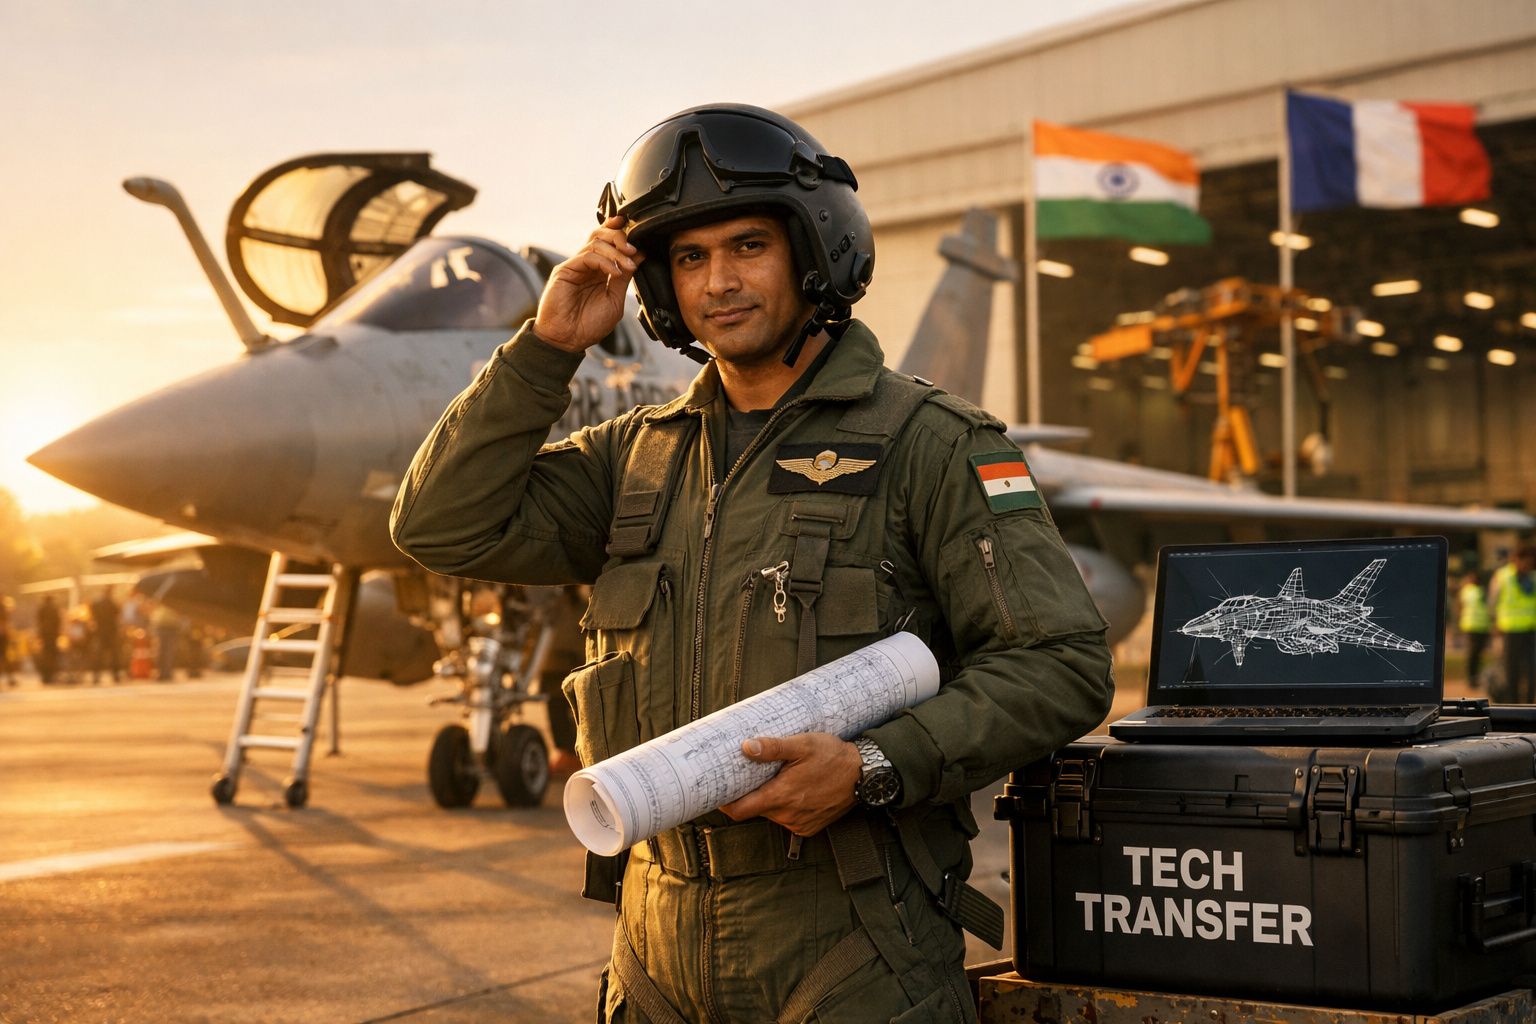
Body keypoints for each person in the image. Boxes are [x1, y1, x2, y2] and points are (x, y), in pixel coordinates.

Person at [391, 104, 1113, 1023]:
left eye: (746, 248)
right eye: (688, 259)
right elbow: (440, 526)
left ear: (814, 254)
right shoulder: (635, 458)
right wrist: (547, 350)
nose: (718, 283)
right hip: (654, 942)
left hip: (851, 940)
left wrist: (874, 766)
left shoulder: (930, 444)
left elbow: (1060, 662)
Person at [1490, 545, 1536, 704]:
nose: (1527, 566)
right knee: (1512, 670)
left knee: (1532, 670)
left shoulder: (1533, 577)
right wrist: (1494, 623)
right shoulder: (1503, 576)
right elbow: (1493, 602)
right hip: (1509, 630)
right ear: (1515, 560)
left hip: (1530, 630)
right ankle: (1513, 704)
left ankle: (1530, 704)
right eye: (1525, 562)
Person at [1456, 569, 1492, 690]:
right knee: (1474, 654)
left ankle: (1473, 678)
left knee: (1476, 654)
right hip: (1474, 626)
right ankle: (1472, 679)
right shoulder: (1473, 591)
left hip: (1479, 625)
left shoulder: (1467, 590)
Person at [90, 588, 123, 684]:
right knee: (114, 655)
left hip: (100, 631)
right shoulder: (112, 603)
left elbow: (92, 613)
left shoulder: (96, 603)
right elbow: (118, 614)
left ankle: (96, 676)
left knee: (98, 655)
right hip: (111, 632)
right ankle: (116, 675)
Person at [34, 594, 61, 685]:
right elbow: (58, 622)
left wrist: (39, 635)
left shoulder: (41, 609)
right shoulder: (54, 609)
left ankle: (45, 676)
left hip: (44, 636)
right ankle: (50, 675)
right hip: (52, 636)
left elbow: (38, 622)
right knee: (52, 656)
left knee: (44, 656)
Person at [0, 595, 15, 686]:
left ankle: (10, 678)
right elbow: (4, 622)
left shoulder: (3, 607)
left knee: (4, 657)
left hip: (3, 636)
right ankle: (10, 678)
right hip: (2, 636)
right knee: (4, 657)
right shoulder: (2, 607)